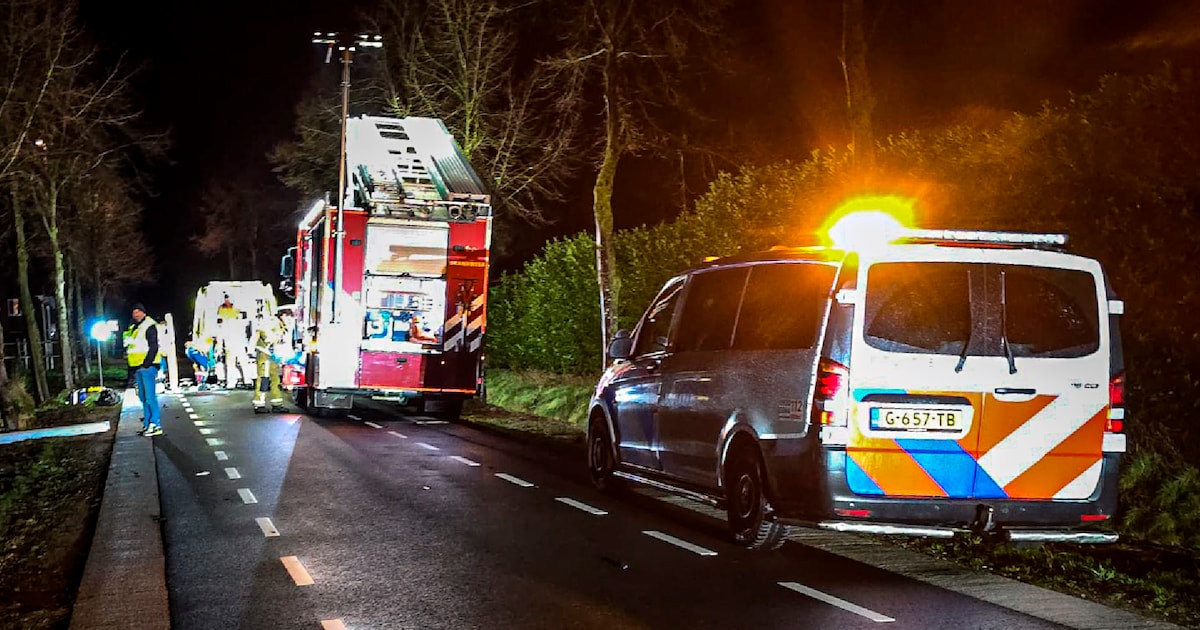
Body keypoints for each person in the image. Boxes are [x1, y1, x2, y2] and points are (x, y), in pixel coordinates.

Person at [123, 303, 163, 436]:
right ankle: (148, 424)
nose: (136, 314)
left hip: (147, 366)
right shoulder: (135, 327)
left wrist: (147, 363)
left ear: (144, 313)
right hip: (137, 366)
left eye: (138, 312)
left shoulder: (149, 326)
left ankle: (155, 424)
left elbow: (153, 346)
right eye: (134, 312)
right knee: (143, 397)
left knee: (150, 397)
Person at [252, 307, 287, 413]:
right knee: (263, 380)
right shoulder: (270, 322)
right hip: (265, 355)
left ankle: (277, 404)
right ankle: (259, 404)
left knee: (275, 380)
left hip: (272, 356)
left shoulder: (278, 323)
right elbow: (266, 337)